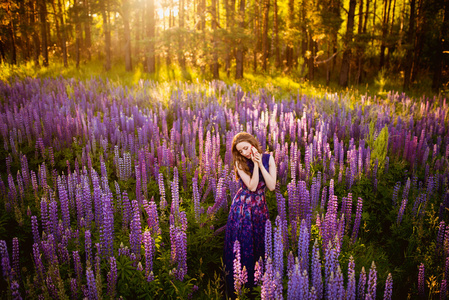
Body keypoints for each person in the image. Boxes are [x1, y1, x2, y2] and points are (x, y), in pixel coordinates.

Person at [224, 132, 277, 298]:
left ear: (253, 143)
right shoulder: (240, 163)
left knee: (260, 242)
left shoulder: (269, 158)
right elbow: (253, 186)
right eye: (241, 151)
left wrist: (260, 163)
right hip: (243, 209)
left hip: (260, 207)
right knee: (245, 244)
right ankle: (241, 286)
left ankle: (259, 285)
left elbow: (271, 186)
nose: (245, 152)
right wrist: (254, 162)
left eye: (246, 148)